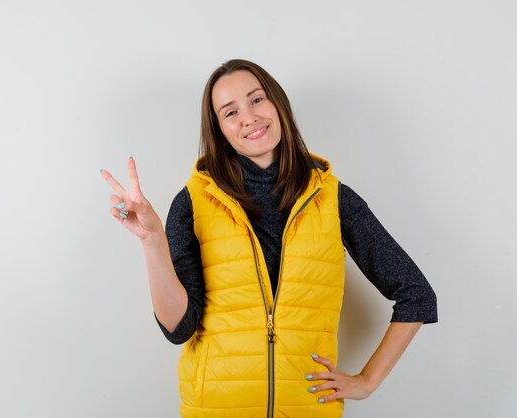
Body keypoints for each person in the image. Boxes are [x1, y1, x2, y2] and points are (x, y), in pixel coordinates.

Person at [100, 59, 437, 418]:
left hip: (307, 409)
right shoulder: (193, 202)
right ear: (220, 130)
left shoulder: (333, 198)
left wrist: (367, 381)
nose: (248, 117)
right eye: (230, 112)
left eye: (256, 100)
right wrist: (152, 241)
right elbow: (178, 327)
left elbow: (416, 295)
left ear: (277, 103)